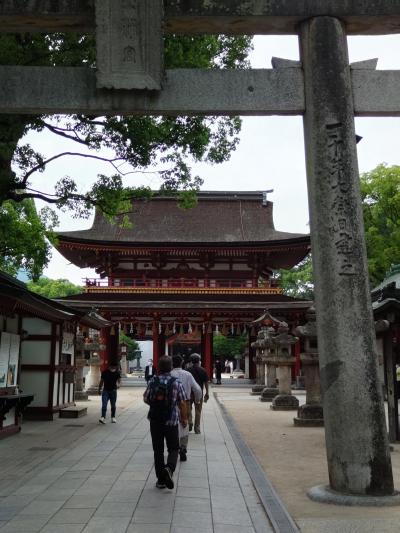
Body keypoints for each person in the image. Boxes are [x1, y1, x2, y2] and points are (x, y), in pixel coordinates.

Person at [143, 355, 187, 490]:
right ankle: (169, 468)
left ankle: (161, 481)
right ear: (171, 367)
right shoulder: (176, 382)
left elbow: (146, 398)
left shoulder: (153, 381)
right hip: (171, 421)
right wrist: (184, 418)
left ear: (159, 367)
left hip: (155, 420)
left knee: (158, 450)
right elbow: (182, 402)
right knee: (173, 448)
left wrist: (155, 404)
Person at [171, 354, 202, 461]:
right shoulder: (187, 374)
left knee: (173, 424)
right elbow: (197, 389)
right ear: (182, 363)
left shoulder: (169, 374)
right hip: (185, 402)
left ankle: (174, 446)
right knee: (184, 423)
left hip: (171, 403)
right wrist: (197, 399)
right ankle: (183, 447)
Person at [187, 353, 209, 434]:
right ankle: (197, 428)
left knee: (188, 409)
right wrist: (207, 393)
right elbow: (206, 382)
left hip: (189, 393)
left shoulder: (187, 370)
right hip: (199, 393)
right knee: (198, 410)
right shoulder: (203, 370)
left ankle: (189, 422)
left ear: (191, 361)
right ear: (199, 361)